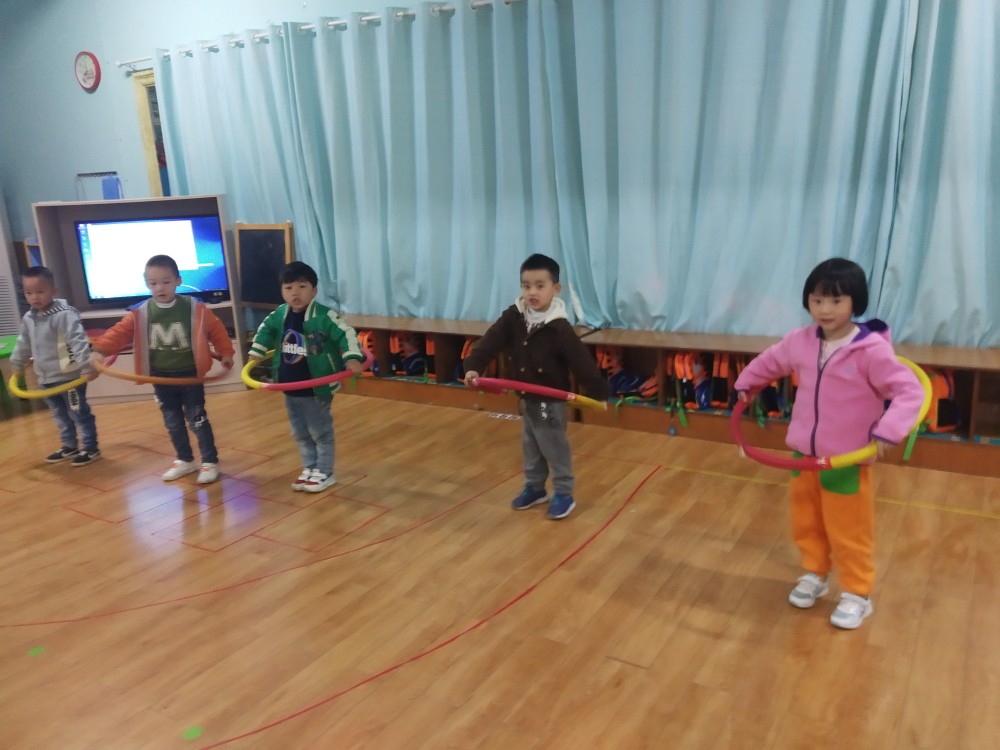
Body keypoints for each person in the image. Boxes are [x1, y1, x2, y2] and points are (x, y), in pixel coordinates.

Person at [734, 257, 925, 629]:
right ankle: (815, 573)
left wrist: (887, 430)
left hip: (846, 460)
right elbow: (770, 362)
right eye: (817, 300)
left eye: (836, 300)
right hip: (803, 455)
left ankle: (857, 593)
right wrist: (746, 384)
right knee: (806, 521)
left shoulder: (871, 351)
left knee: (849, 529)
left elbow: (909, 391)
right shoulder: (800, 341)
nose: (825, 309)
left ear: (856, 302)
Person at [463, 253, 609, 520]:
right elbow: (489, 342)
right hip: (526, 398)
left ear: (556, 289)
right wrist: (473, 366)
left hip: (548, 403)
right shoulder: (514, 317)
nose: (532, 292)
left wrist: (598, 394)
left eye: (540, 286)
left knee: (553, 446)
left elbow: (582, 363)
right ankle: (535, 488)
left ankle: (564, 492)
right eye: (526, 285)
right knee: (531, 445)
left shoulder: (559, 328)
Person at [90, 254, 234, 484]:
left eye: (166, 282)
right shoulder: (141, 312)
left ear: (178, 280)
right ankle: (185, 459)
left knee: (197, 420)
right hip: (161, 377)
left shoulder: (194, 308)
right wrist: (100, 351)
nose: (159, 288)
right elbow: (119, 333)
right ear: (146, 283)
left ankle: (209, 461)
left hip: (189, 376)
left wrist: (226, 354)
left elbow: (216, 330)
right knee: (173, 422)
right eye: (153, 283)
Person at [247, 261, 365, 493]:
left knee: (320, 432)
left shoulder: (324, 316)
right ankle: (310, 468)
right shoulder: (280, 314)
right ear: (282, 291)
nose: (295, 292)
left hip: (316, 388)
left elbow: (346, 333)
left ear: (314, 290)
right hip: (291, 388)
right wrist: (257, 352)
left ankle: (325, 472)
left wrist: (352, 358)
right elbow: (265, 330)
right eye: (289, 287)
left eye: (302, 286)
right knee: (300, 432)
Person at [10, 266, 101, 466]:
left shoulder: (63, 315)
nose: (34, 297)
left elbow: (78, 340)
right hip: (46, 379)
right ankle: (69, 445)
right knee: (59, 415)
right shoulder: (29, 318)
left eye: (40, 291)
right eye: (29, 293)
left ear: (53, 290)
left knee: (78, 413)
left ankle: (90, 447)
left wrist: (87, 366)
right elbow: (23, 343)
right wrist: (17, 363)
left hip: (69, 380)